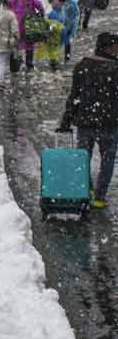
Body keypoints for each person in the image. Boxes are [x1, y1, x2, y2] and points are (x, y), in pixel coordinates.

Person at [58, 32, 118, 208]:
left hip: (85, 121)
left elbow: (74, 96)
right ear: (109, 48)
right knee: (107, 160)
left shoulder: (82, 66)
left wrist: (66, 121)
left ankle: (86, 190)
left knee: (83, 158)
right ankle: (99, 198)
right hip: (110, 124)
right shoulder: (115, 69)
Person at [9, 0, 46, 71]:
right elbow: (40, 6)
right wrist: (41, 14)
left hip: (17, 23)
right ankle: (29, 64)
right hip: (28, 24)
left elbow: (9, 2)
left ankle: (16, 64)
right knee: (29, 43)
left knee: (17, 43)